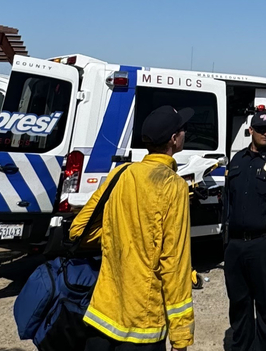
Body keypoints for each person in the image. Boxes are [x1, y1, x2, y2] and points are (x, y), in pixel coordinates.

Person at [66, 105, 195, 351]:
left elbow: (78, 229)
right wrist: (180, 336)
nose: (185, 132)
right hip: (142, 326)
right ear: (173, 139)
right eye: (182, 129)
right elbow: (174, 263)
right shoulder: (174, 186)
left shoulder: (120, 173)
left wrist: (116, 235)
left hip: (101, 316)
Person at [222, 112, 266, 351]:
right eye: (260, 129)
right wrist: (226, 244)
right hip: (236, 247)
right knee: (239, 305)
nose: (265, 133)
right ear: (251, 130)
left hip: (263, 245)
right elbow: (227, 202)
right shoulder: (236, 160)